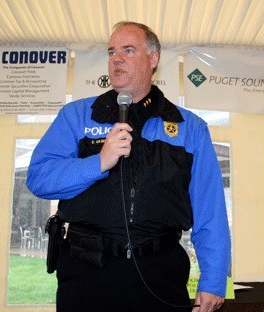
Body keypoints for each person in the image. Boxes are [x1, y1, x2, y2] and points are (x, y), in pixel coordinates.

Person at [26, 21, 231, 312]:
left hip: (159, 273)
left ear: (153, 59)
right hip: (87, 273)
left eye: (128, 50)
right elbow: (38, 177)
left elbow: (210, 209)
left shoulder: (190, 128)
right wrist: (98, 162)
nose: (116, 59)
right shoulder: (77, 116)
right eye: (111, 52)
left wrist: (213, 279)